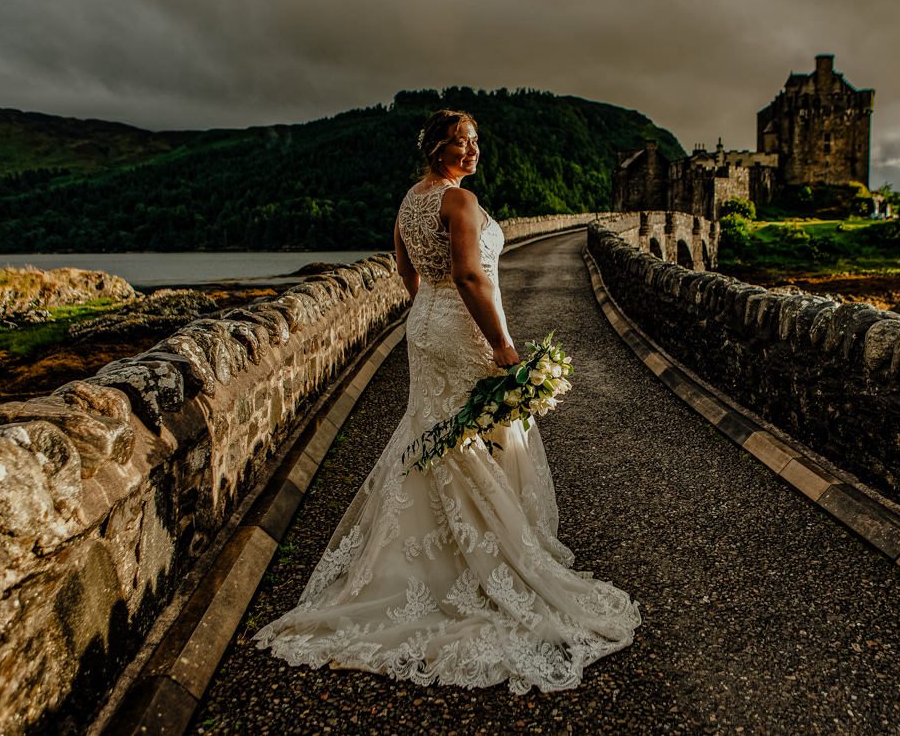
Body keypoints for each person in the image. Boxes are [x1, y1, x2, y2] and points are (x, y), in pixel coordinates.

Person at [254, 109, 641, 694]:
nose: (472, 151)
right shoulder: (458, 203)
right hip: (461, 326)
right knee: (471, 435)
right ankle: (474, 564)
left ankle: (420, 558)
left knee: (432, 428)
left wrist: (427, 311)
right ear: (437, 150)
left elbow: (408, 269)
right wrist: (504, 345)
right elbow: (469, 275)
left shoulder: (411, 201)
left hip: (426, 324)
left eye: (476, 142)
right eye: (461, 143)